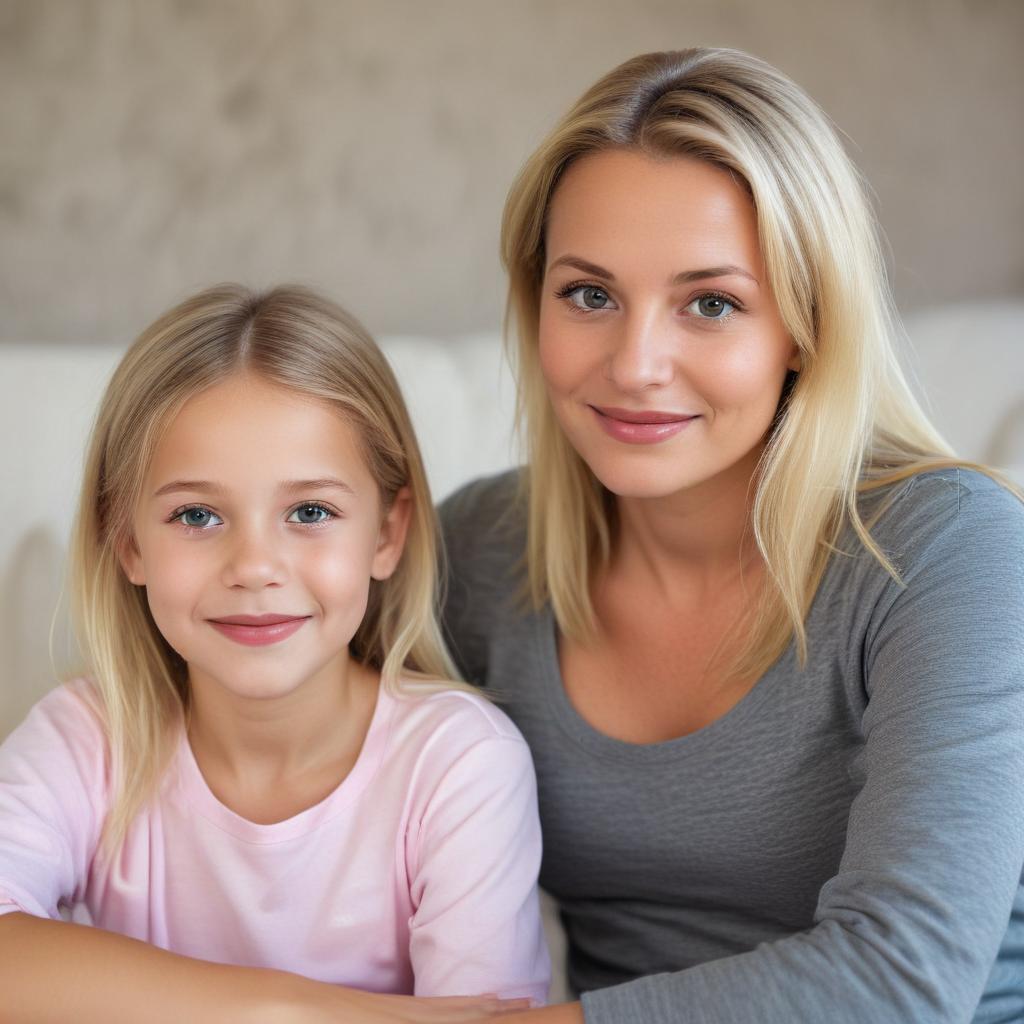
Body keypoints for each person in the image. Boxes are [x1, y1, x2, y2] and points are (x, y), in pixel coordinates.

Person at [440, 48, 1024, 1023]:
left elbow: (901, 982)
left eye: (709, 304)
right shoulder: (479, 551)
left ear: (803, 324)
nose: (635, 365)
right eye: (589, 294)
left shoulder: (948, 550)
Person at [0, 284, 550, 1022]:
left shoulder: (458, 764)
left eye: (310, 512)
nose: (255, 566)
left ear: (386, 535)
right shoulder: (90, 738)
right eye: (197, 515)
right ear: (127, 542)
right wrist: (286, 1009)